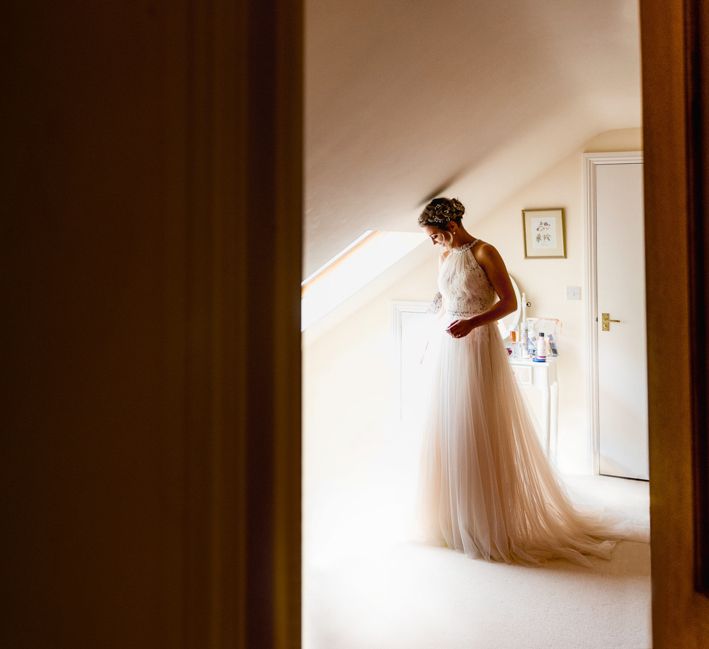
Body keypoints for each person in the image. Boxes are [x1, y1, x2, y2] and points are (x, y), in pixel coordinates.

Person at [414, 197, 618, 566]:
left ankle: (490, 521)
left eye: (435, 235)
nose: (434, 243)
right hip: (451, 346)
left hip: (478, 343)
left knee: (481, 425)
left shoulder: (485, 252)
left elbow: (510, 303)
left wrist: (473, 323)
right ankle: (455, 519)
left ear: (452, 226)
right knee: (453, 427)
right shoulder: (443, 257)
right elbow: (447, 302)